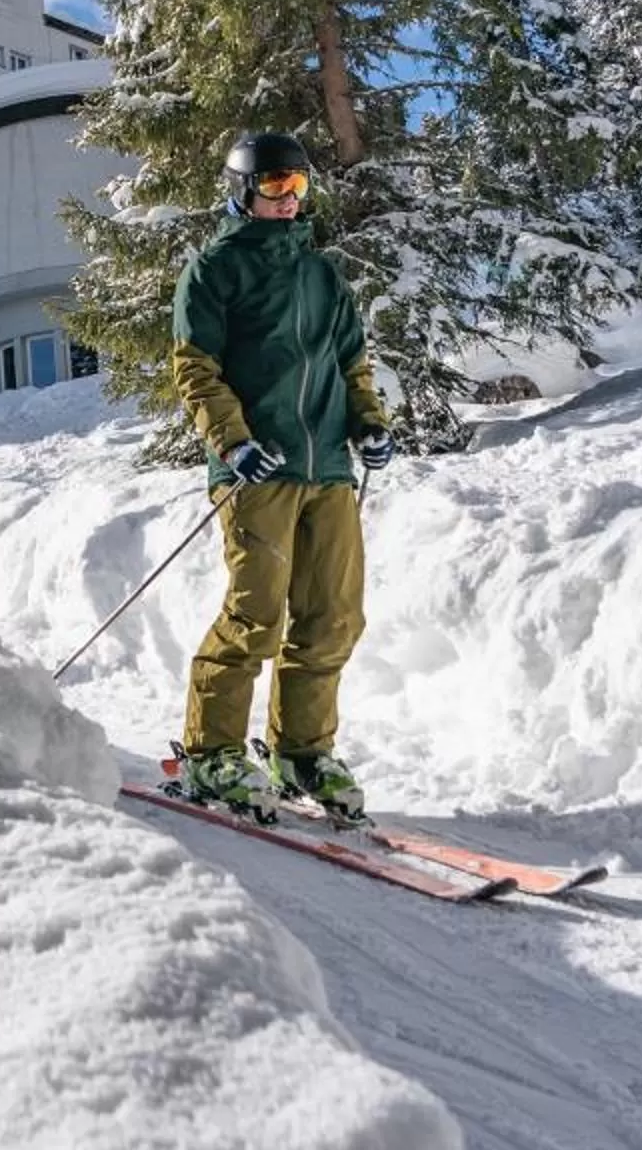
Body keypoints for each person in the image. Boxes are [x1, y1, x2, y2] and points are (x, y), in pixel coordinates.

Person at [166, 130, 397, 822]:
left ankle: (301, 751)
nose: (289, 200)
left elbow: (351, 363)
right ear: (242, 190)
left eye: (297, 188)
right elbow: (196, 370)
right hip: (256, 472)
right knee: (256, 614)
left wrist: (369, 424)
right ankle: (211, 752)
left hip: (327, 466)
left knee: (332, 617)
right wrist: (233, 445)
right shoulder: (213, 271)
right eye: (274, 188)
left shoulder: (323, 275)